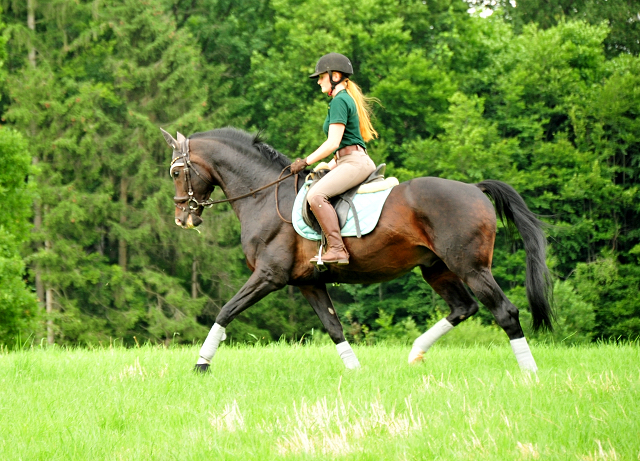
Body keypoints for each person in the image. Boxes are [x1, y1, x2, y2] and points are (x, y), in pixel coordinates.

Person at [290, 53, 378, 265]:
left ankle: (338, 249)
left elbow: (332, 143)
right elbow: (345, 144)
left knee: (316, 195)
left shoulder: (339, 101)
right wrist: (329, 164)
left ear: (335, 75)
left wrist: (306, 161)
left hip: (355, 162)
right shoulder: (342, 99)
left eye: (321, 76)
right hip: (348, 160)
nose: (319, 81)